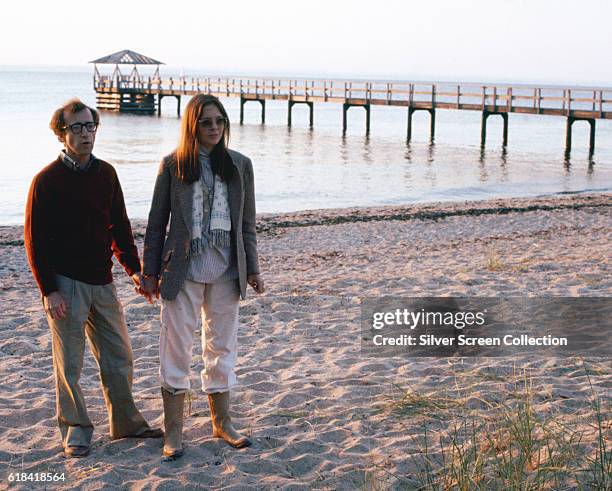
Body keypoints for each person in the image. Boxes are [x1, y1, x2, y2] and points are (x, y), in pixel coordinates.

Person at [24, 98, 163, 458]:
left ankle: (126, 423)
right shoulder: (46, 181)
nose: (86, 134)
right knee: (69, 363)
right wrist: (49, 290)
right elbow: (34, 241)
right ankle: (75, 430)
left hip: (103, 281)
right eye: (77, 128)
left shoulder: (107, 174)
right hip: (65, 283)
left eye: (90, 126)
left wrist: (134, 271)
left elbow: (119, 226)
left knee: (119, 356)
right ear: (61, 133)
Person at [142, 94, 264, 459]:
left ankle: (221, 422)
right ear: (192, 126)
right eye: (206, 122)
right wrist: (149, 272)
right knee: (176, 349)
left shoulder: (240, 165)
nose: (214, 129)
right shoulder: (173, 165)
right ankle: (174, 431)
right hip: (183, 269)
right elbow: (155, 223)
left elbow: (247, 224)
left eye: (219, 121)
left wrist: (254, 268)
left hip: (228, 269)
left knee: (222, 346)